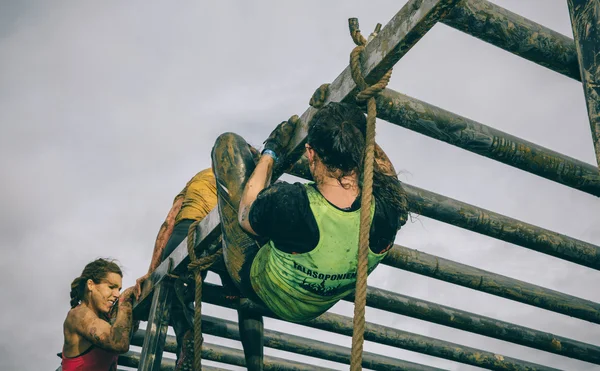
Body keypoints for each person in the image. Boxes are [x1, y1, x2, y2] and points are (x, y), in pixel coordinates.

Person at [211, 102, 409, 370]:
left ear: (310, 152)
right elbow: (386, 172)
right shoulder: (389, 212)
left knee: (229, 145)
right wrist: (350, 116)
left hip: (263, 286)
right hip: (316, 305)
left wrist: (271, 151)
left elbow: (246, 214)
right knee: (290, 231)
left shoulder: (292, 204)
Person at [134, 168, 218, 370]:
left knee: (175, 288)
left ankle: (186, 336)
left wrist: (152, 271)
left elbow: (169, 221)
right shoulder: (245, 173)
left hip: (183, 231)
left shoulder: (197, 180)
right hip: (216, 231)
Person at [61, 258, 135, 371]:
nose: (117, 294)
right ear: (91, 285)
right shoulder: (78, 315)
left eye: (119, 289)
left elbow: (127, 332)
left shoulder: (106, 318)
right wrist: (125, 300)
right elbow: (119, 343)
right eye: (111, 287)